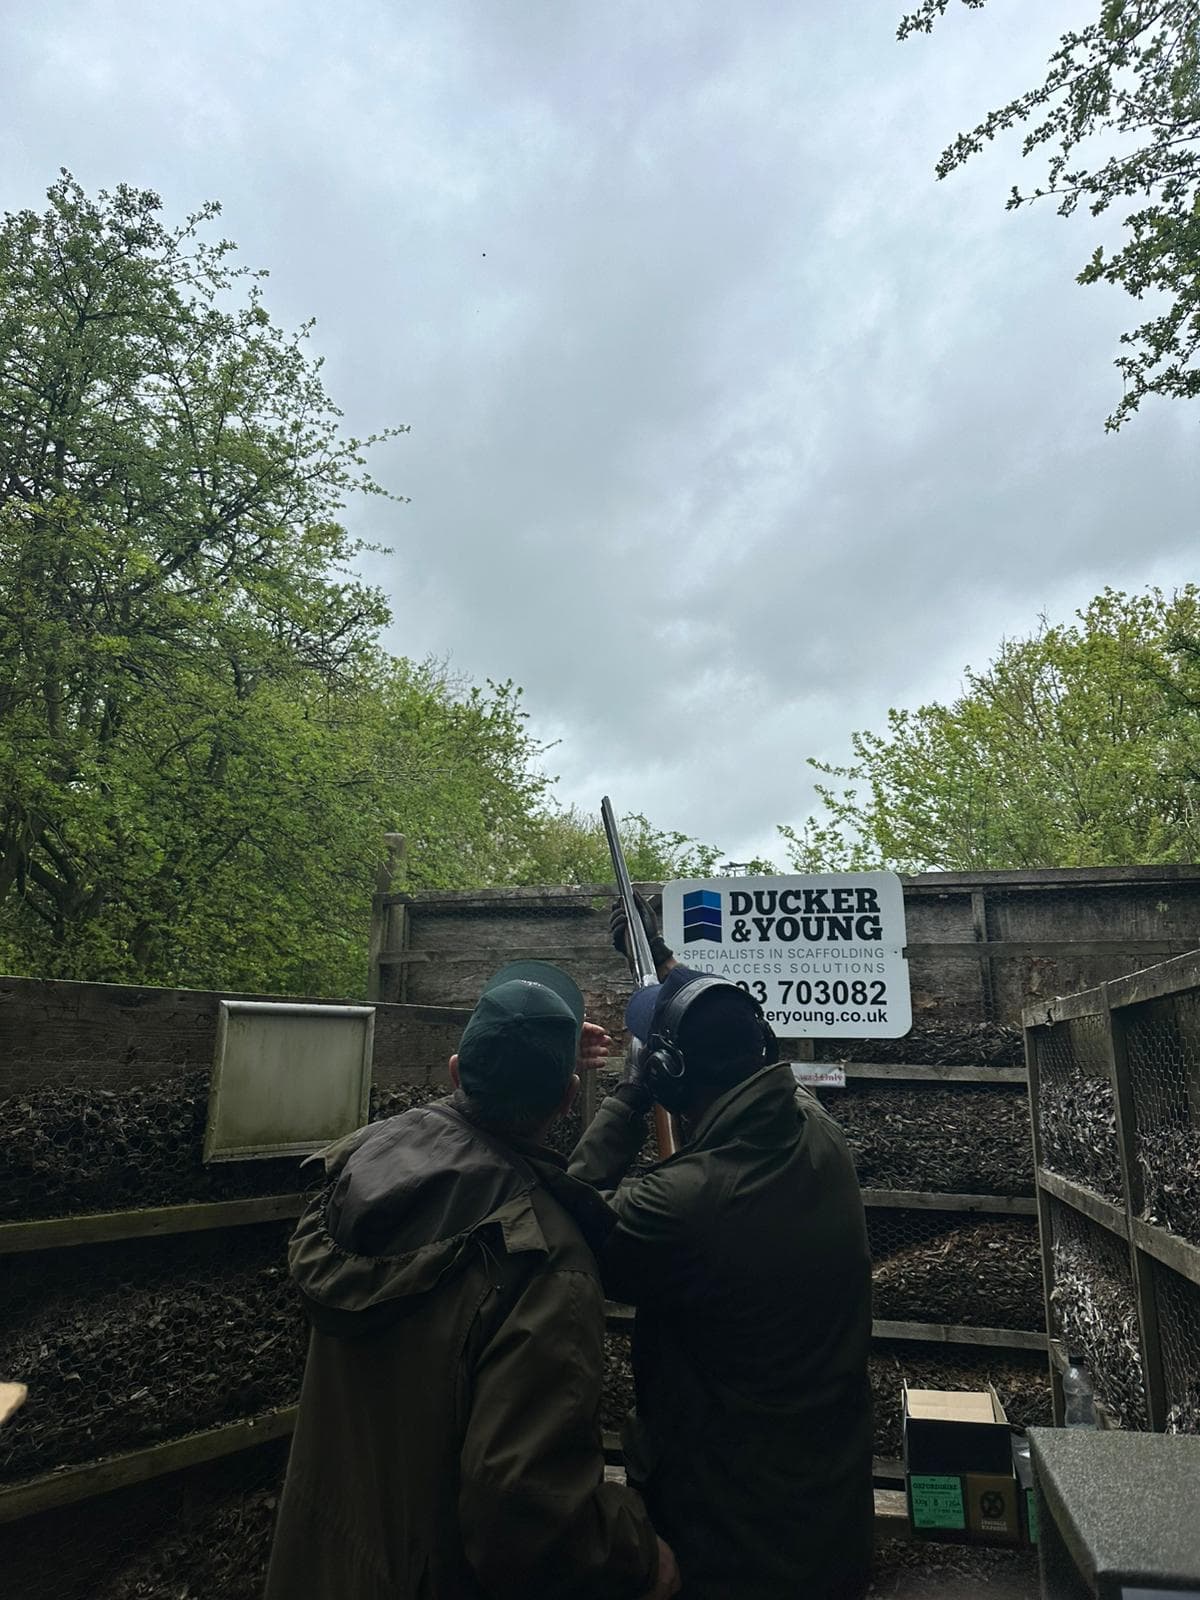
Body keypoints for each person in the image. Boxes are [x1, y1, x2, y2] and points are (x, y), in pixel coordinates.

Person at [265, 959, 680, 1600]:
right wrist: (640, 1557)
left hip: (320, 1558)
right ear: (567, 1099)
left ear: (457, 1072)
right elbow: (527, 1514)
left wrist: (612, 1098)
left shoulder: (366, 1164)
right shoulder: (548, 1263)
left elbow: (521, 1180)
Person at [569, 899, 874, 1600]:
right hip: (828, 1518)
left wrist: (629, 1097)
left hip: (729, 1542)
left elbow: (563, 1222)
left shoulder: (685, 1202)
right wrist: (659, 961)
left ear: (670, 1078)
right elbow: (729, 1033)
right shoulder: (815, 1129)